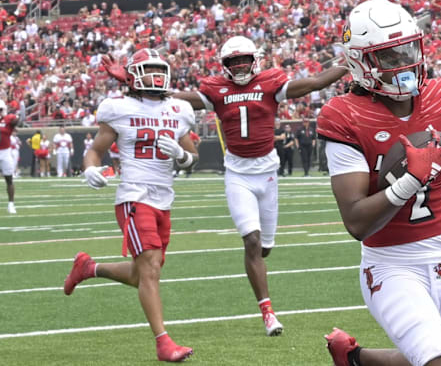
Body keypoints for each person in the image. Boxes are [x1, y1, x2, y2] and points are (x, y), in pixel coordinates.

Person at [103, 35, 348, 336]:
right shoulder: (216, 89)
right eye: (234, 61)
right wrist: (130, 83)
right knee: (252, 242)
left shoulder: (271, 81)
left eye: (245, 60)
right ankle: (268, 312)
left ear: (255, 59)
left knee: (264, 249)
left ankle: (260, 281)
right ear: (225, 65)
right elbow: (167, 95)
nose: (241, 66)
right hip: (237, 173)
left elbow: (313, 82)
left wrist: (346, 64)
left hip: (268, 172)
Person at [318, 0, 441, 366]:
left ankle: (355, 360)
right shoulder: (344, 116)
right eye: (388, 56)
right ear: (359, 62)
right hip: (392, 265)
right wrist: (410, 179)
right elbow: (356, 221)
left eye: (407, 50)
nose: (403, 63)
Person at [64, 49, 198, 362]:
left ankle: (88, 267)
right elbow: (95, 150)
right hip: (134, 197)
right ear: (135, 75)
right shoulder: (119, 108)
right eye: (148, 71)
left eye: (158, 70)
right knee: (150, 270)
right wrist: (89, 168)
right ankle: (164, 343)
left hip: (164, 197)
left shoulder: (179, 108)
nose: (156, 76)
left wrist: (181, 156)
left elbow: (192, 158)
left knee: (142, 275)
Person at [0, 99, 23, 213]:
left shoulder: (8, 119)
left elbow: (17, 122)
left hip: (5, 151)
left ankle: (11, 204)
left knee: (9, 179)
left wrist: (18, 117)